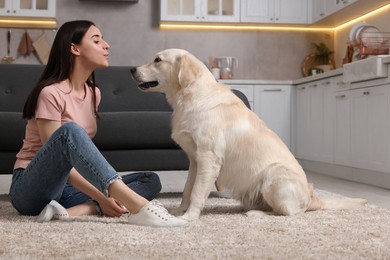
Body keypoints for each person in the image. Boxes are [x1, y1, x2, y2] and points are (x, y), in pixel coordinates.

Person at [8, 20, 187, 227]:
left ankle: (73, 211)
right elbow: (57, 158)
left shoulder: (94, 93)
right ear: (74, 49)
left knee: (150, 180)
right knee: (69, 132)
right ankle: (138, 207)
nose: (106, 45)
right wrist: (102, 197)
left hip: (67, 190)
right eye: (96, 40)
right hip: (31, 189)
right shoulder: (50, 93)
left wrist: (102, 196)